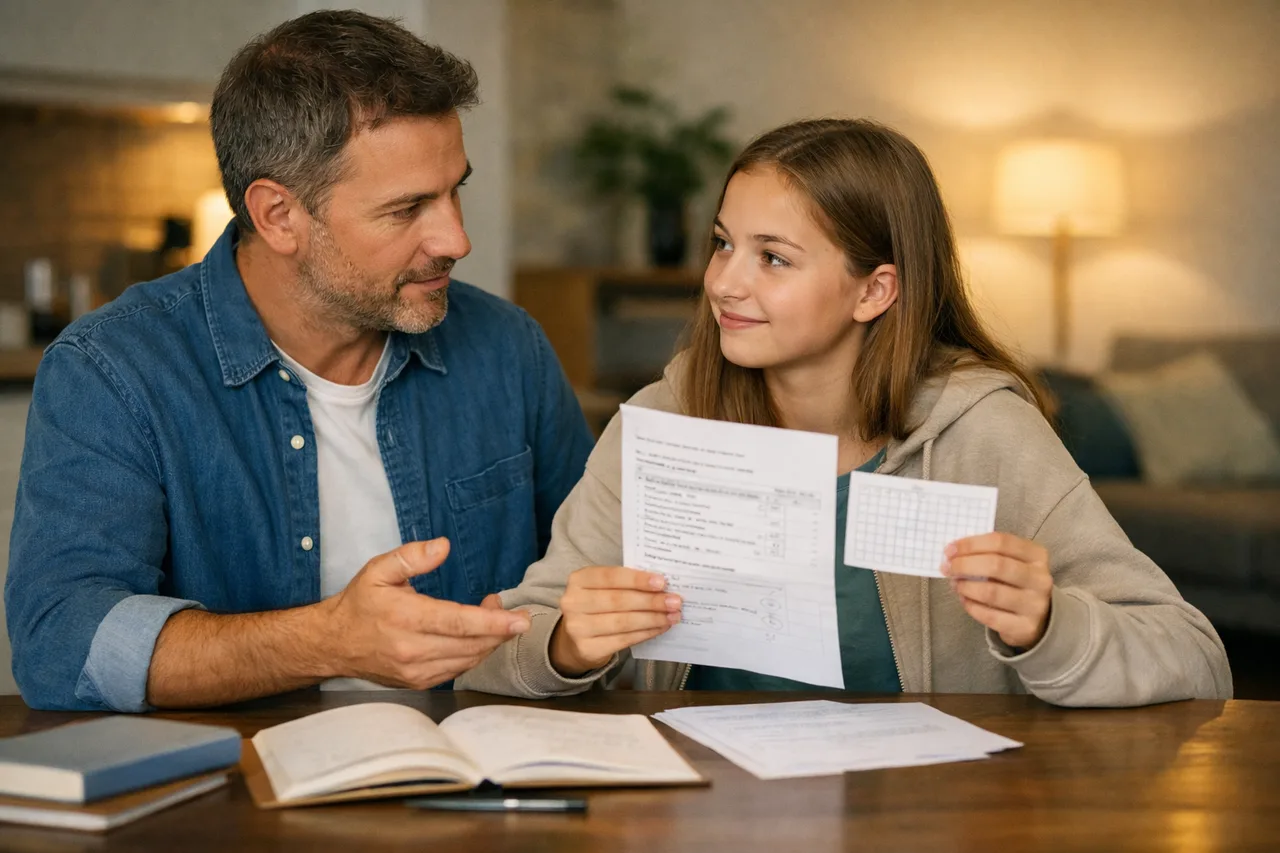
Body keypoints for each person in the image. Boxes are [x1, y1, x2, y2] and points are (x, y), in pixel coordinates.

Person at [458, 118, 1232, 705]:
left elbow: (1198, 662)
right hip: (697, 815)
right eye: (722, 244)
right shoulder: (663, 421)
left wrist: (1050, 625)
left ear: (875, 290)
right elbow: (496, 657)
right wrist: (566, 645)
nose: (724, 283)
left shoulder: (985, 430)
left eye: (773, 257)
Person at [4, 10, 593, 712]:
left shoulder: (506, 347)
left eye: (454, 189)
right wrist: (327, 639)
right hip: (233, 798)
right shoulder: (114, 370)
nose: (456, 238)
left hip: (479, 785)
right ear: (279, 215)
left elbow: (587, 576)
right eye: (407, 209)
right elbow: (63, 644)